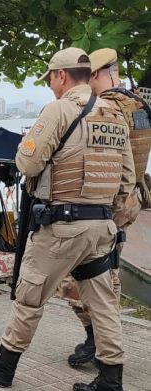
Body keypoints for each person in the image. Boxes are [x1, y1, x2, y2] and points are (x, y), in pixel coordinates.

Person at [0, 47, 134, 391]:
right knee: (103, 304)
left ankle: (3, 365)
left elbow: (28, 160)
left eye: (50, 80)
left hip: (62, 225)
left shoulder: (60, 109)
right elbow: (128, 180)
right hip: (102, 225)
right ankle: (111, 383)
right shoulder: (117, 114)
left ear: (60, 76)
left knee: (31, 293)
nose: (51, 87)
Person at [59, 48, 148, 368]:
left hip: (103, 206)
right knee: (105, 274)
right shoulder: (139, 104)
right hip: (128, 204)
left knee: (78, 279)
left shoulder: (108, 109)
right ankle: (101, 342)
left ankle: (101, 344)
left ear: (94, 74)